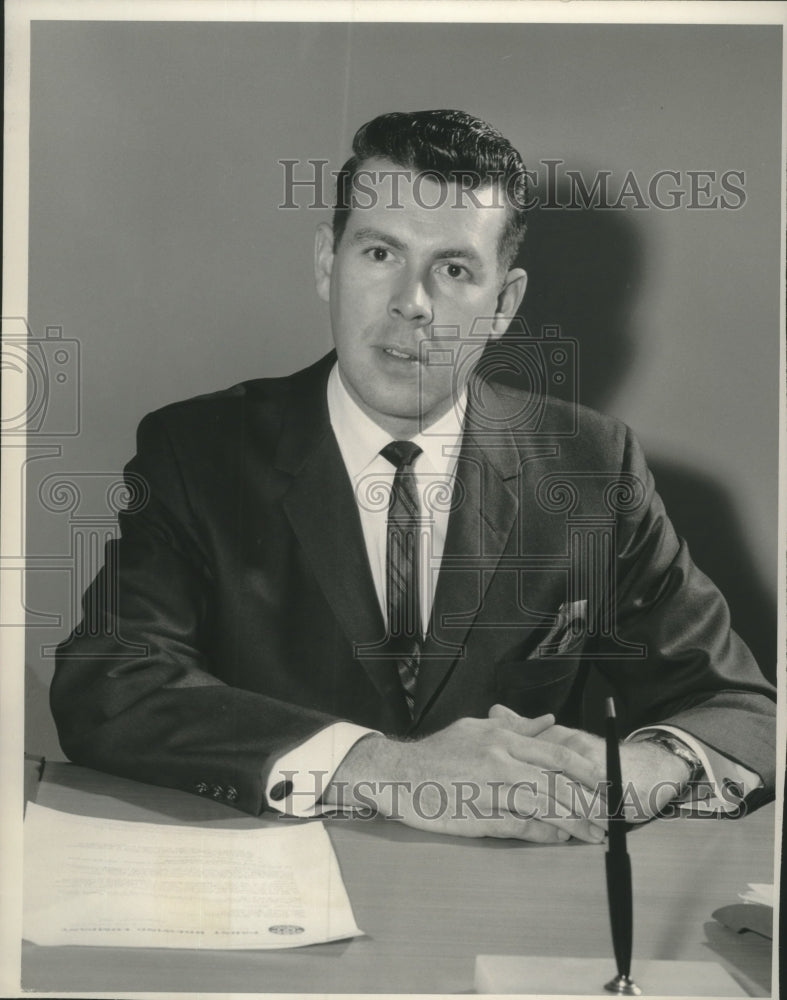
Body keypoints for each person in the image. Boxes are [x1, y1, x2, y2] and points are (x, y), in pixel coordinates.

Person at [50, 110, 776, 844]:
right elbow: (111, 684)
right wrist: (389, 768)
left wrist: (637, 771)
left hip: (505, 906)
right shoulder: (197, 450)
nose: (413, 303)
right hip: (267, 884)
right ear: (327, 264)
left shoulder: (588, 465)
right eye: (379, 254)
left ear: (503, 304)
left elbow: (740, 709)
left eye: (454, 269)